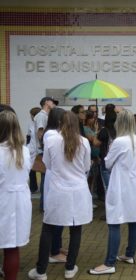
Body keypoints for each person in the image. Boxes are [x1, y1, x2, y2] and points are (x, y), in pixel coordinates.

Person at [28, 111, 93, 280]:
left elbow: (47, 164)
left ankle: (41, 271)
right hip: (78, 190)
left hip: (58, 190)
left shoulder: (51, 140)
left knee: (48, 229)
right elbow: (86, 167)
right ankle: (70, 268)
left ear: (60, 123)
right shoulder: (84, 141)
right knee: (76, 229)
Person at [89, 110, 136, 275]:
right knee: (134, 220)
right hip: (135, 185)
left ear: (118, 123)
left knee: (114, 222)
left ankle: (110, 262)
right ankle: (129, 254)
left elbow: (107, 164)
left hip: (120, 184)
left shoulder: (119, 141)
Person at [0, 110, 32, 280]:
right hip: (20, 201)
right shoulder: (24, 151)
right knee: (12, 247)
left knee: (9, 244)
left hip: (3, 200)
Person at [42, 108, 68, 264]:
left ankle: (57, 247)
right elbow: (48, 161)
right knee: (56, 216)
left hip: (57, 177)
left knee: (60, 215)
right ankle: (54, 251)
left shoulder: (55, 134)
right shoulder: (51, 135)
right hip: (54, 178)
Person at [34, 97, 58, 211]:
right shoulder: (41, 116)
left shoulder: (46, 116)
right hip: (43, 150)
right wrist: (46, 147)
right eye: (52, 102)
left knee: (47, 177)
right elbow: (40, 133)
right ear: (46, 103)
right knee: (45, 177)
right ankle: (44, 206)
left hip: (45, 150)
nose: (53, 104)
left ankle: (46, 204)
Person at [96, 110, 117, 192]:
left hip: (105, 161)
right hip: (116, 162)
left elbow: (96, 143)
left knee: (108, 187)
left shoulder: (104, 131)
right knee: (116, 185)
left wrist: (95, 133)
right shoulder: (119, 130)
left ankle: (109, 204)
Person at [27, 107, 41, 193]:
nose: (31, 117)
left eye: (31, 115)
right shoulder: (30, 124)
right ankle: (33, 187)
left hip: (40, 150)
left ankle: (43, 189)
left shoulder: (41, 124)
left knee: (42, 169)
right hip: (31, 149)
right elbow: (28, 136)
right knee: (31, 169)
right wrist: (27, 146)